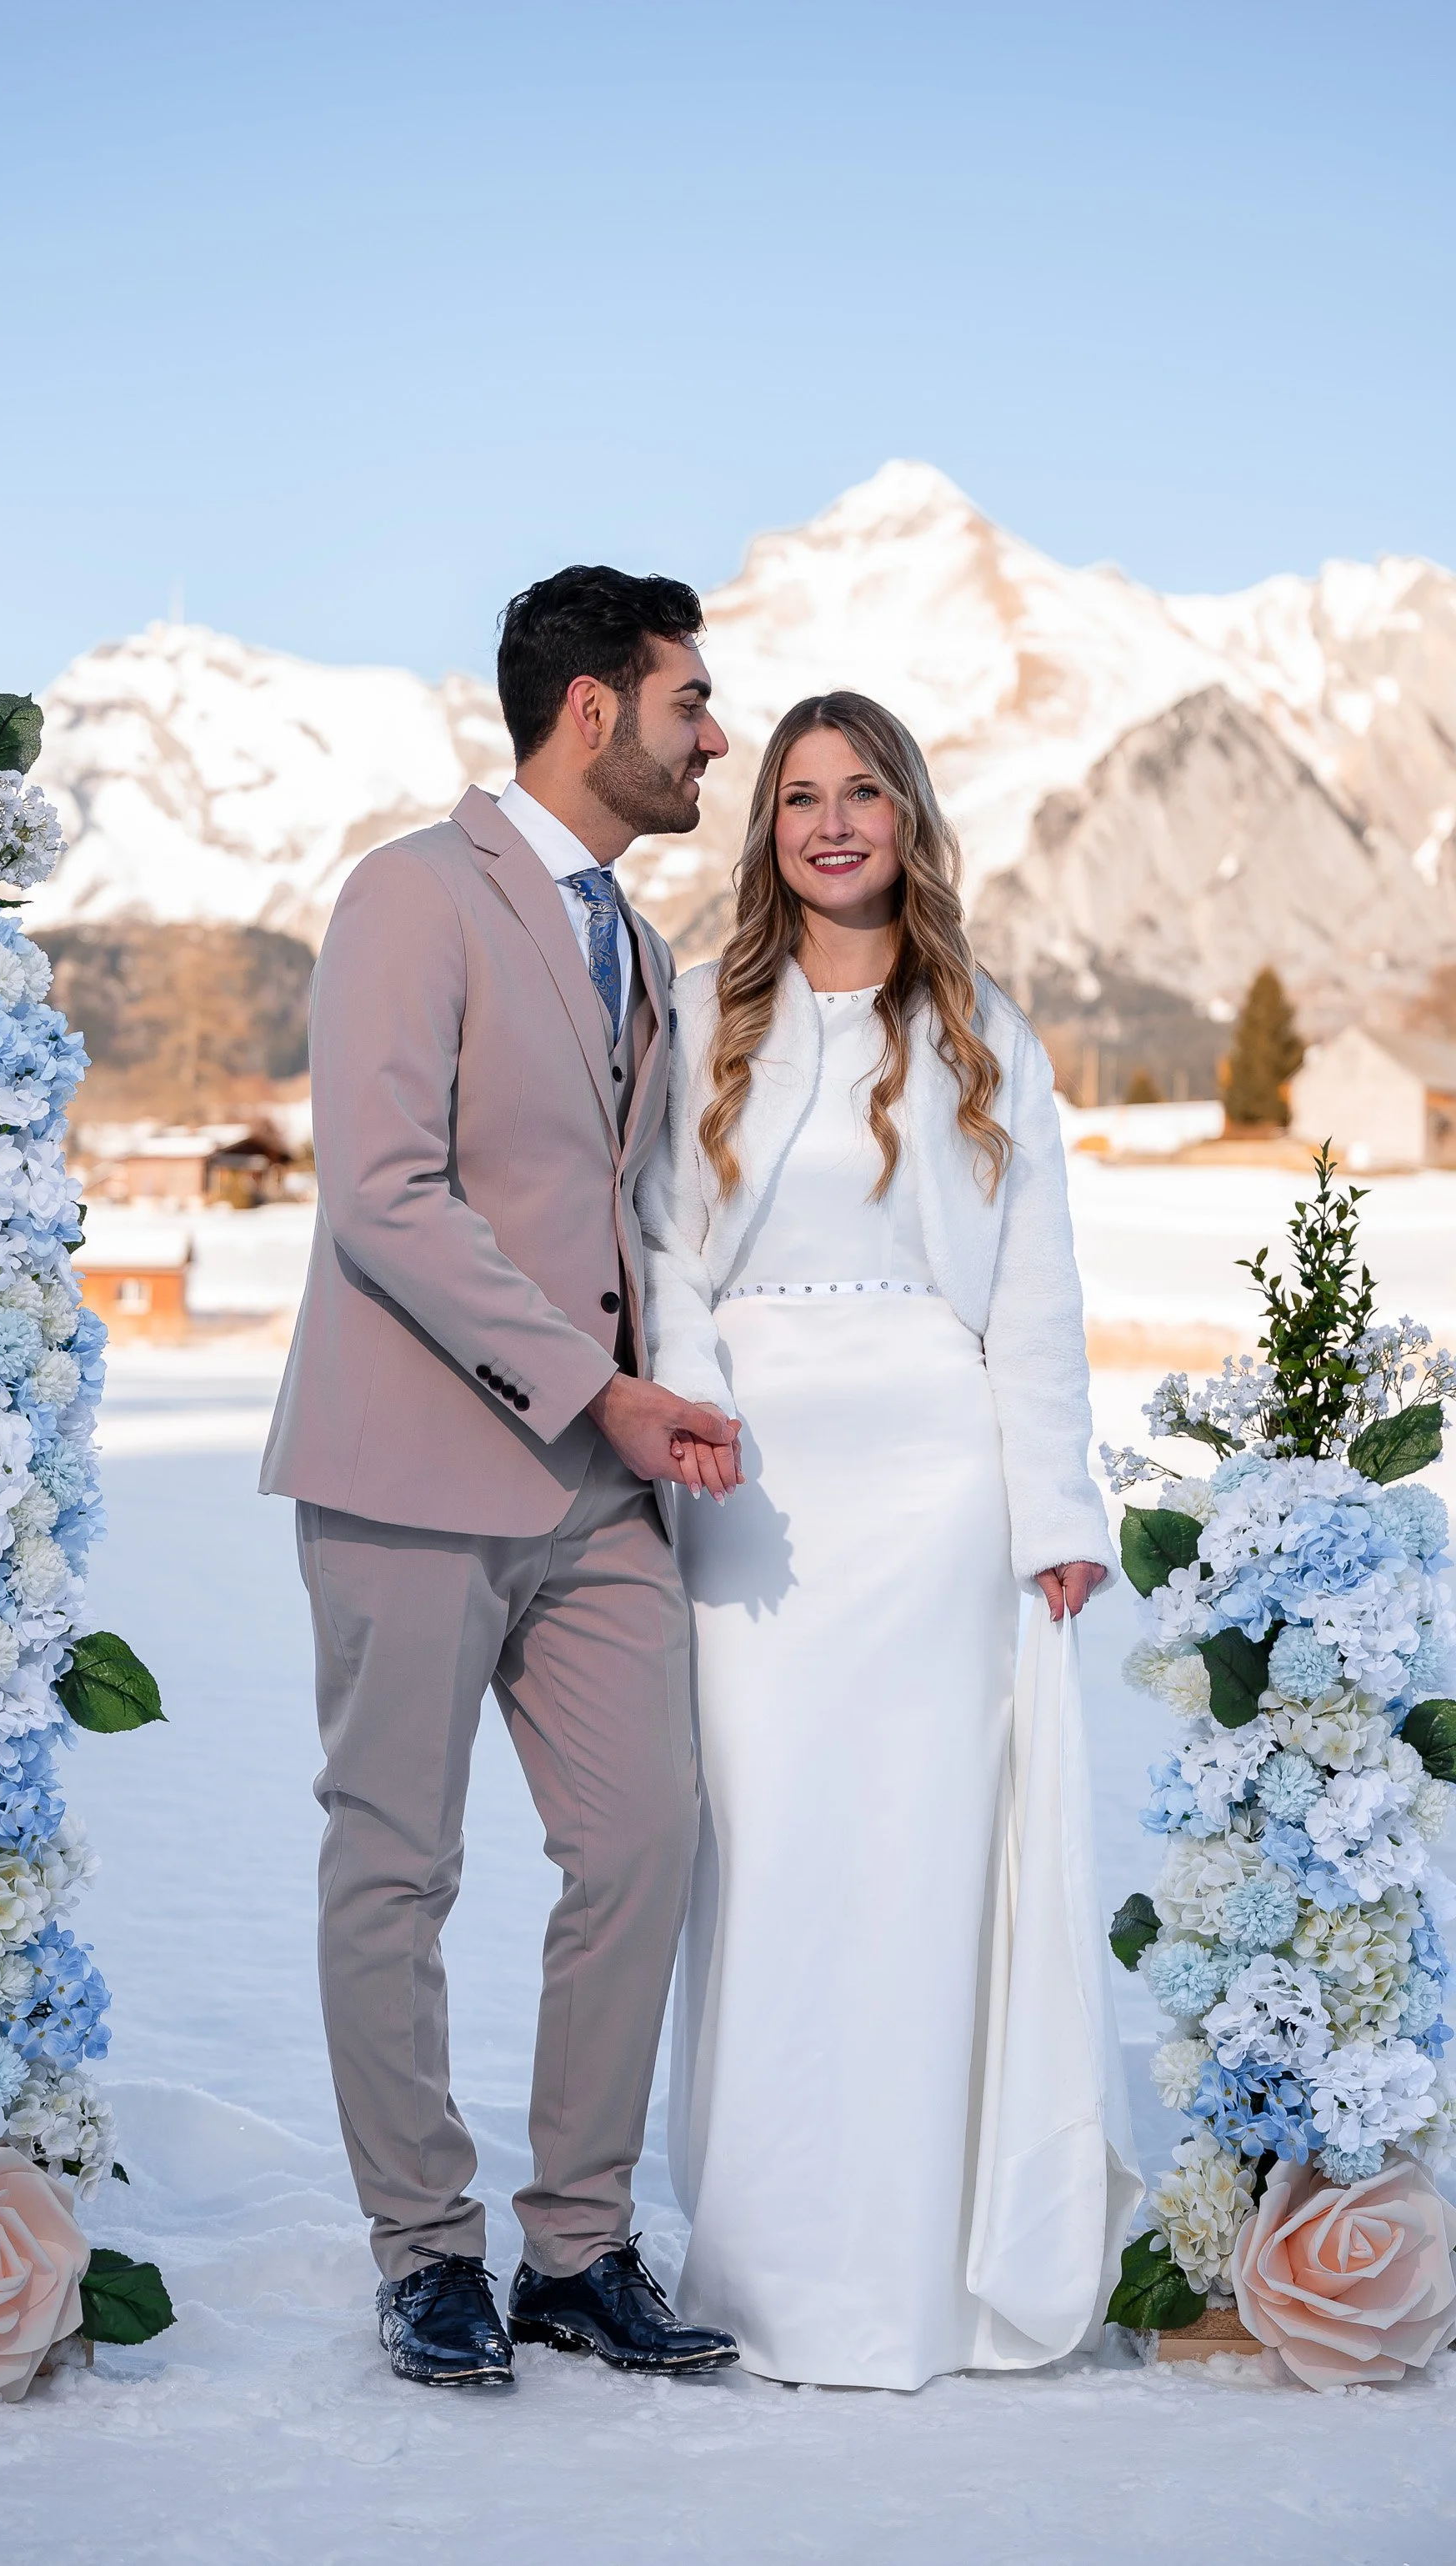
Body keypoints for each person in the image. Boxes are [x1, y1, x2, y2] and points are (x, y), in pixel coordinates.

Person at [261, 566, 744, 2388]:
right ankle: (424, 2253)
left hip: (603, 1490)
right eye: (695, 701)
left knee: (644, 1841)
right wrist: (588, 1389)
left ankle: (579, 2246)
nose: (718, 736)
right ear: (598, 709)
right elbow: (380, 1192)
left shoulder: (644, 939)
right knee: (395, 1866)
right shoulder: (409, 891)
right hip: (409, 1470)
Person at [638, 691, 1139, 2390]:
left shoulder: (982, 1025)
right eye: (796, 796)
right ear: (763, 828)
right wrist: (692, 1409)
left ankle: (912, 2270)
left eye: (862, 792)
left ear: (909, 819)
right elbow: (657, 1258)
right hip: (749, 1494)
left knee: (917, 1870)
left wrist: (1054, 1507)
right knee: (768, 1863)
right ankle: (768, 2267)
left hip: (936, 1497)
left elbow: (1036, 1296)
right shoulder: (701, 1011)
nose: (831, 822)